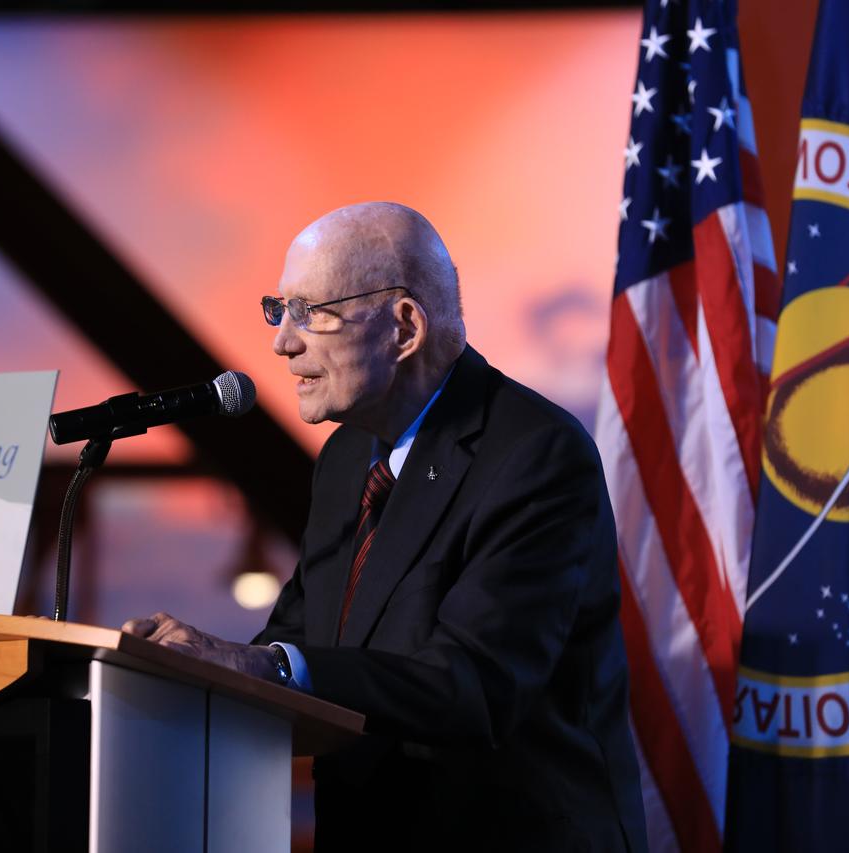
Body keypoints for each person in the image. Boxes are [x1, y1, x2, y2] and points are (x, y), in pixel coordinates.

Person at [122, 202, 647, 850]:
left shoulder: (536, 454)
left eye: (310, 311)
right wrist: (190, 662)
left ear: (404, 328)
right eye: (279, 309)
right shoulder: (345, 458)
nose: (283, 342)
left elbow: (473, 684)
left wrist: (268, 666)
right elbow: (300, 637)